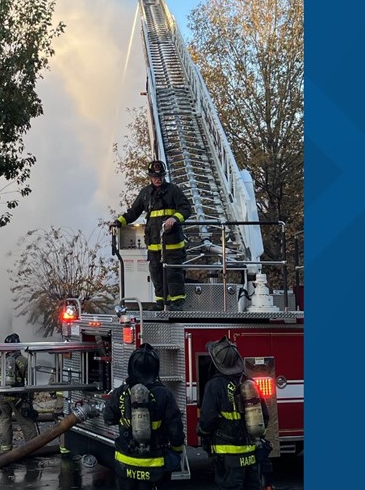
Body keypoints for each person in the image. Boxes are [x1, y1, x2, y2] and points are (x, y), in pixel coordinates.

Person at [111, 160, 193, 310]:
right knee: (156, 274)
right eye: (154, 176)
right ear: (149, 176)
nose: (158, 179)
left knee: (173, 274)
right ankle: (161, 303)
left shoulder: (173, 191)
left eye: (160, 176)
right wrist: (119, 222)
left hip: (172, 244)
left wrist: (174, 218)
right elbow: (134, 212)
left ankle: (177, 304)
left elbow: (186, 208)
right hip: (154, 245)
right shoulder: (145, 193)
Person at [102, 344, 185, 490]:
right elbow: (175, 430)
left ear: (131, 368)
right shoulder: (164, 394)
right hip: (156, 465)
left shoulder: (120, 392)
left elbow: (108, 418)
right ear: (155, 369)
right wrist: (176, 451)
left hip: (125, 465)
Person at [196, 339, 268, 490]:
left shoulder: (214, 386)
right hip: (251, 455)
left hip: (228, 457)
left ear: (217, 363)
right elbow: (265, 417)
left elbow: (207, 420)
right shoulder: (249, 382)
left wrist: (202, 433)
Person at [0, 333, 38, 452]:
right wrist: (29, 400)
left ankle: (5, 449)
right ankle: (33, 449)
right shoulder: (24, 361)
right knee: (26, 423)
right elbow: (30, 382)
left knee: (4, 421)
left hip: (2, 397)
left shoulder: (0, 360)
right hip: (19, 398)